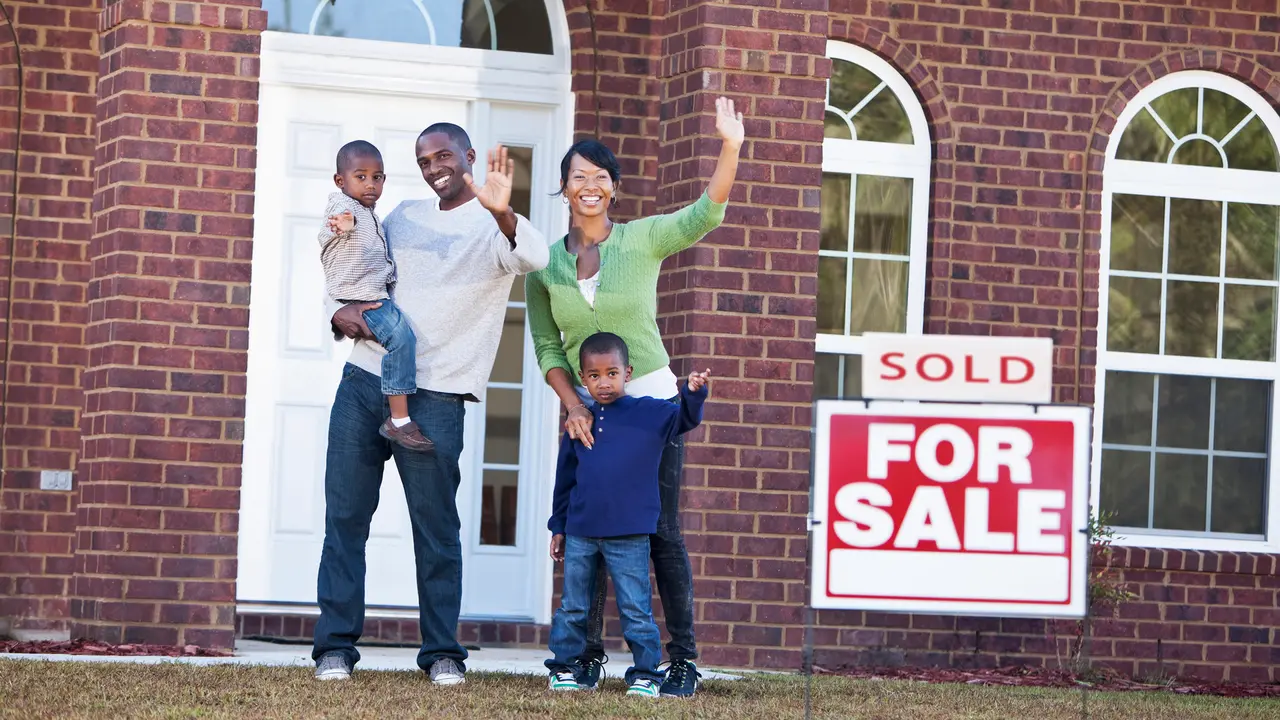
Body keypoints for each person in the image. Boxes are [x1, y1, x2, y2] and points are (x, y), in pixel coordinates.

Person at [312, 123, 549, 685]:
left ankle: (442, 651)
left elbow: (535, 257)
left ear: (468, 156)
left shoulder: (495, 228)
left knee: (436, 529)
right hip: (364, 384)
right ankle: (334, 649)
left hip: (437, 398)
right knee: (345, 519)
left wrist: (503, 212)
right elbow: (353, 267)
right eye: (424, 158)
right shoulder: (400, 216)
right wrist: (338, 316)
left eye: (444, 155)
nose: (434, 166)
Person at [525, 96, 744, 698]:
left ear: (613, 190)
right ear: (564, 190)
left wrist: (731, 146)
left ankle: (682, 662)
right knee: (586, 525)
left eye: (600, 178)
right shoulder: (544, 265)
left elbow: (706, 214)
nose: (589, 186)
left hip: (648, 404)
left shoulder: (643, 239)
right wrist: (572, 405)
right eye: (578, 177)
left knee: (661, 532)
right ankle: (588, 657)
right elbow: (547, 346)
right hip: (587, 408)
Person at [545, 332, 710, 698]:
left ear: (628, 373)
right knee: (573, 606)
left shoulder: (649, 413)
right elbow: (565, 480)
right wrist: (558, 526)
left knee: (636, 609)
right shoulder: (581, 420)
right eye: (593, 375)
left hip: (630, 534)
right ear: (583, 377)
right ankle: (563, 668)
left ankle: (645, 674)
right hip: (582, 532)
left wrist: (694, 393)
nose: (603, 382)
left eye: (612, 373)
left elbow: (685, 418)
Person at [319, 140, 432, 452]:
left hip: (369, 295)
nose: (370, 184)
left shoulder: (372, 213)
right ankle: (399, 420)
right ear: (340, 181)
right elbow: (338, 222)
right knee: (402, 339)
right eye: (361, 177)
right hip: (363, 297)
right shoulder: (344, 207)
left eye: (378, 177)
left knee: (399, 338)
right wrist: (344, 223)